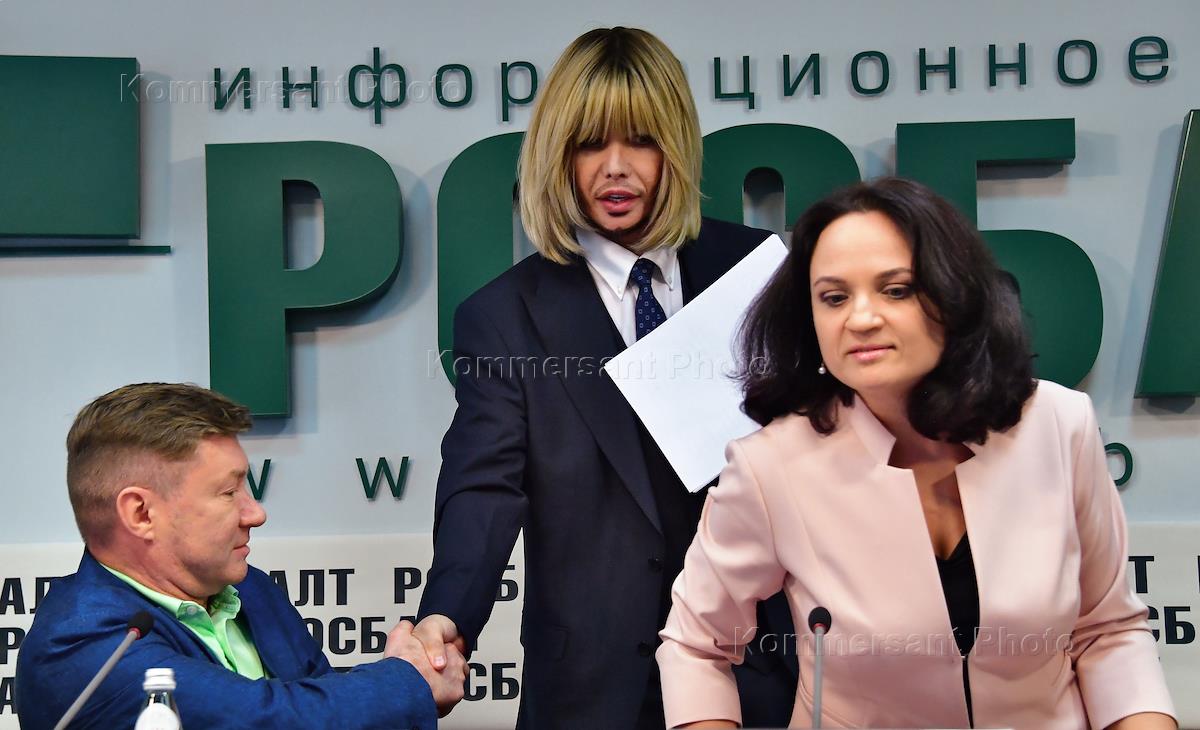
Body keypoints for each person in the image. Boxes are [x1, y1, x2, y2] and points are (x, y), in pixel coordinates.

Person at [657, 177, 1178, 729]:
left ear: (954, 295)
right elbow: (694, 645)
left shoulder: (1058, 423)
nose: (861, 318)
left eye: (896, 290)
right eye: (834, 297)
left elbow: (1108, 630)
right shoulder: (771, 465)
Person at [414, 26, 796, 729]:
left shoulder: (761, 272)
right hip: (592, 690)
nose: (615, 169)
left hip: (761, 672)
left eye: (640, 141)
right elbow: (484, 486)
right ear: (556, 153)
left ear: (675, 146)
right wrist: (446, 615)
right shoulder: (503, 316)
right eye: (590, 144)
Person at [15, 383, 466, 730]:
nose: (256, 513)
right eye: (228, 492)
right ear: (141, 514)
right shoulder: (80, 646)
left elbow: (319, 698)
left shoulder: (252, 589)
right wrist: (409, 680)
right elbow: (263, 720)